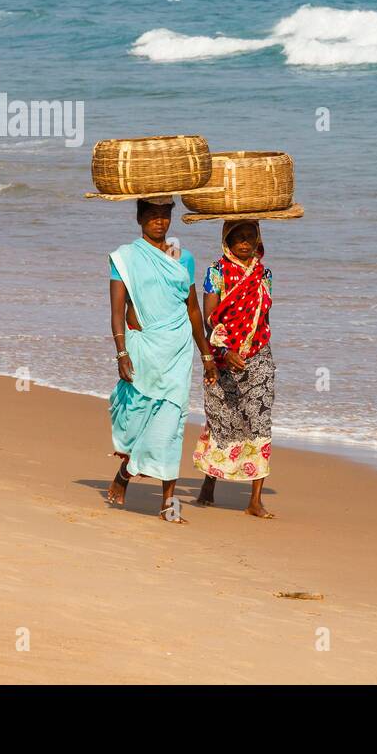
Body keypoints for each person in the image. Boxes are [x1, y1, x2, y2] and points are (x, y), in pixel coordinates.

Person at [105, 197, 217, 522]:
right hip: (144, 348)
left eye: (164, 216)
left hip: (178, 351)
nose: (159, 222)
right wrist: (121, 352)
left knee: (172, 425)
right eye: (152, 216)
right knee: (139, 417)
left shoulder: (185, 259)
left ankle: (168, 503)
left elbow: (193, 309)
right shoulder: (125, 258)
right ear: (140, 218)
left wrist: (206, 353)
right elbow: (116, 311)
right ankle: (125, 472)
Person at [192, 219, 277, 518]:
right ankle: (209, 483)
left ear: (258, 239)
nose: (244, 242)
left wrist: (253, 347)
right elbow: (209, 318)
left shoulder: (263, 273)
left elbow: (261, 316)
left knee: (259, 421)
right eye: (237, 237)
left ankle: (254, 500)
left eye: (249, 236)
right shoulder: (216, 272)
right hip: (223, 357)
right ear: (226, 240)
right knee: (222, 420)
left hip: (259, 357)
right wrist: (224, 352)